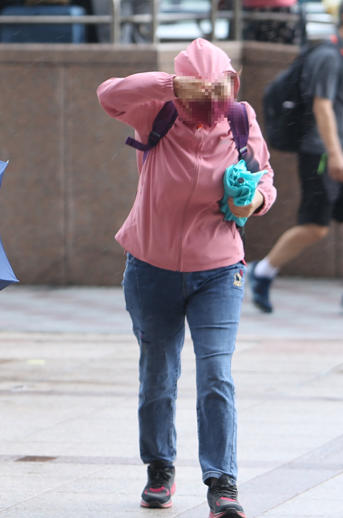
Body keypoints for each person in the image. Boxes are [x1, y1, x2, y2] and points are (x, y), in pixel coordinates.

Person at [97, 38, 276, 518]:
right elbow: (108, 94)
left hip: (218, 270)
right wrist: (169, 85)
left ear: (232, 85)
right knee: (158, 374)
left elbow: (265, 179)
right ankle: (160, 468)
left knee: (216, 373)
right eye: (197, 95)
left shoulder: (240, 119)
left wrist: (253, 201)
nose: (209, 105)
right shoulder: (156, 111)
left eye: (219, 91)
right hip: (150, 268)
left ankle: (222, 481)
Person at [250, 5, 343, 314]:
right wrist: (335, 154)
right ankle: (262, 272)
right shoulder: (328, 57)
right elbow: (322, 107)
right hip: (322, 154)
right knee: (315, 225)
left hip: (333, 151)